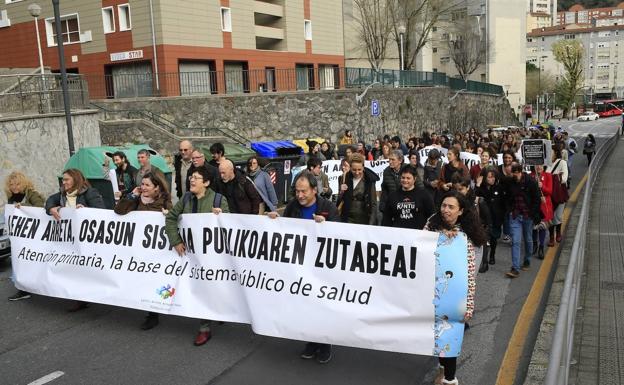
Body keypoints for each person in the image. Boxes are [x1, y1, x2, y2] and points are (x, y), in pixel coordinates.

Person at [267, 171, 339, 364]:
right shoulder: (292, 207)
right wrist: (275, 220)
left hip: (321, 268)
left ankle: (325, 343)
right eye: (297, 191)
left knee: (321, 306)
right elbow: (284, 228)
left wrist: (326, 225)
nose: (299, 195)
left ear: (314, 190)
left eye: (304, 191)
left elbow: (341, 233)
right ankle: (311, 341)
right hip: (300, 266)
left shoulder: (328, 207)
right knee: (305, 306)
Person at [424, 191, 487, 385]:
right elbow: (420, 246)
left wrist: (468, 305)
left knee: (449, 338)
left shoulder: (469, 238)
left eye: (451, 207)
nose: (446, 210)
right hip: (432, 293)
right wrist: (439, 236)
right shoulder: (432, 224)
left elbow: (470, 275)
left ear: (461, 211)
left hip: (454, 298)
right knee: (437, 337)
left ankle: (450, 379)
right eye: (444, 206)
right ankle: (443, 372)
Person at [165, 167, 228, 345]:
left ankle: (218, 310)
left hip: (212, 257)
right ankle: (204, 328)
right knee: (199, 287)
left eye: (197, 178)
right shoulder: (185, 198)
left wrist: (222, 217)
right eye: (191, 177)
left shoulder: (218, 200)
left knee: (212, 287)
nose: (192, 180)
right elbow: (171, 218)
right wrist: (176, 241)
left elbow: (229, 226)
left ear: (206, 183)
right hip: (191, 255)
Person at [114, 172, 172, 330]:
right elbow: (119, 210)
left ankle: (153, 314)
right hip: (138, 248)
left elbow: (174, 219)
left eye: (147, 185)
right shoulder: (136, 200)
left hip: (156, 250)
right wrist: (132, 196)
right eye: (143, 184)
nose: (143, 187)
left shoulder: (165, 202)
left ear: (157, 187)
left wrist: (168, 216)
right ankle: (147, 308)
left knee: (154, 280)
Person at [45, 169, 106, 312]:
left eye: (66, 179)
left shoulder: (90, 193)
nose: (63, 182)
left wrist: (86, 210)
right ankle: (80, 298)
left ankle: (95, 293)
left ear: (76, 180)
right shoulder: (61, 194)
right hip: (70, 239)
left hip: (87, 239)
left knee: (87, 268)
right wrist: (51, 209)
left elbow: (101, 211)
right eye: (63, 180)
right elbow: (49, 201)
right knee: (75, 268)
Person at [5, 172, 45, 301]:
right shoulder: (11, 197)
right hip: (20, 236)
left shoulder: (31, 193)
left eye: (17, 184)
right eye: (11, 184)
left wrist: (23, 206)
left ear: (23, 183)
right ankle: (23, 289)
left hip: (34, 234)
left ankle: (38, 285)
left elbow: (40, 207)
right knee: (20, 261)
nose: (14, 187)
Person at [505, 163, 542, 278]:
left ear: (519, 172)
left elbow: (537, 199)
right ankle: (515, 268)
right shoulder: (510, 182)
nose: (512, 175)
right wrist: (509, 210)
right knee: (515, 241)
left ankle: (527, 259)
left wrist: (532, 213)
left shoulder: (530, 182)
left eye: (514, 173)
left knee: (528, 239)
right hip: (515, 216)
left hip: (527, 216)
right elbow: (507, 197)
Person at [452, 174, 492, 273]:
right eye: (455, 189)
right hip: (456, 244)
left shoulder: (478, 202)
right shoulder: (450, 202)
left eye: (460, 189)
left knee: (470, 278)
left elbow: (488, 223)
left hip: (474, 244)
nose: (458, 193)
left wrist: (483, 241)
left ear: (468, 187)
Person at [382, 165, 433, 229]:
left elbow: (431, 215)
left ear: (415, 179)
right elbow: (387, 218)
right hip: (398, 234)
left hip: (418, 234)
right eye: (403, 177)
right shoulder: (393, 196)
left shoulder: (424, 194)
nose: (405, 180)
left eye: (408, 178)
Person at [337, 153, 379, 225]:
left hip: (364, 218)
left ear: (363, 167)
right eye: (354, 170)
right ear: (350, 167)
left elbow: (373, 203)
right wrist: (341, 192)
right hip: (347, 218)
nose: (357, 172)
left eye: (359, 169)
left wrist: (371, 224)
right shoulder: (344, 177)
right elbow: (340, 199)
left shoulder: (369, 180)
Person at [476, 167, 506, 266]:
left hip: (496, 219)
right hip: (484, 220)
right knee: (484, 240)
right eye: (489, 177)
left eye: (493, 177)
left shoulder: (499, 188)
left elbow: (502, 204)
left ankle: (492, 255)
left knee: (493, 239)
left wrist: (502, 217)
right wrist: (477, 185)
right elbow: (474, 198)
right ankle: (484, 261)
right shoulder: (481, 189)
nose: (492, 179)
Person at [530, 164, 553, 260]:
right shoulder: (530, 176)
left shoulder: (548, 175)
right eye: (536, 165)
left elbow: (550, 191)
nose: (538, 167)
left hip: (544, 205)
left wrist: (542, 186)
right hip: (533, 205)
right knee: (534, 227)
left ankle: (541, 247)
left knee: (542, 227)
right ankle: (535, 244)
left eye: (541, 165)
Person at [548, 146, 568, 246]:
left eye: (550, 151)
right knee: (550, 216)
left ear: (556, 152)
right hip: (548, 194)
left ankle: (558, 232)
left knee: (558, 216)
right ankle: (551, 237)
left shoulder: (562, 162)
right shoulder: (545, 164)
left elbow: (564, 178)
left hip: (559, 193)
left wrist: (550, 178)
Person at [379, 150, 404, 214]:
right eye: (389, 160)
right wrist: (382, 205)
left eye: (393, 160)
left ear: (400, 160)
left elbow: (419, 186)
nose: (390, 162)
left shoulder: (408, 169)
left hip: (405, 204)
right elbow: (384, 189)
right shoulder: (386, 171)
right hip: (392, 205)